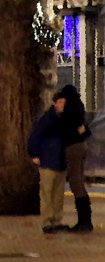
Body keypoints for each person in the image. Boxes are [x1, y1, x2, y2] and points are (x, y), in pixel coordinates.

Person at [28, 91, 67, 234]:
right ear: (54, 103)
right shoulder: (47, 120)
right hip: (48, 160)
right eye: (61, 102)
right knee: (47, 192)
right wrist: (34, 154)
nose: (63, 106)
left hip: (59, 161)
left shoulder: (61, 120)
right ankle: (47, 221)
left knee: (57, 194)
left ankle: (55, 220)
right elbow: (35, 136)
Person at [56, 84, 93, 233]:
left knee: (75, 182)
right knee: (79, 182)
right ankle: (85, 219)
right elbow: (84, 130)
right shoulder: (79, 110)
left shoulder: (69, 112)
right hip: (81, 146)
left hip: (73, 148)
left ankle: (84, 221)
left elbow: (65, 130)